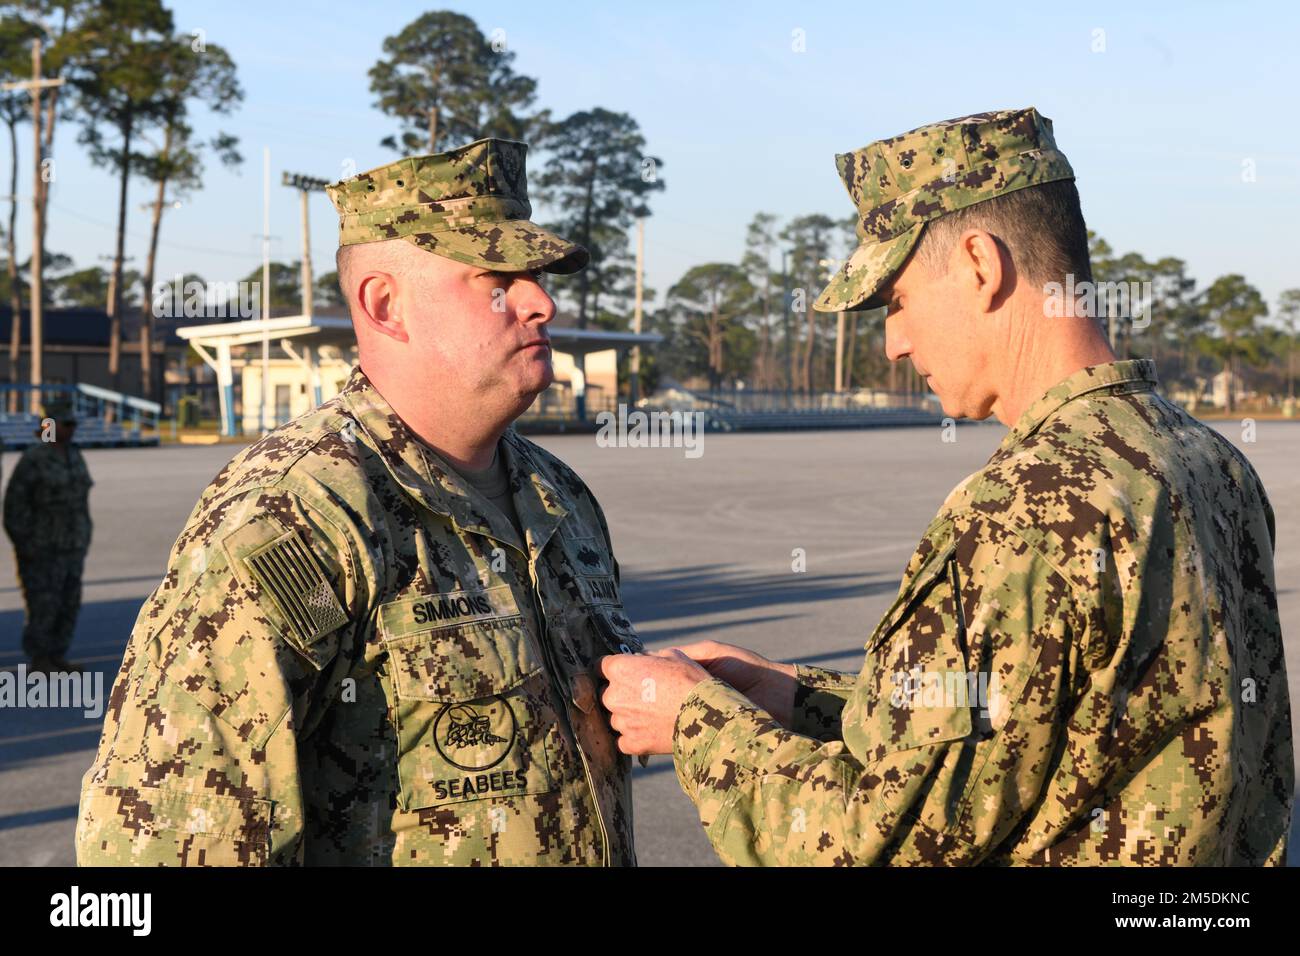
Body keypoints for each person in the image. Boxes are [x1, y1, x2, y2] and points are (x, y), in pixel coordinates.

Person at [601, 107, 1293, 866]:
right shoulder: (1208, 458)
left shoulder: (1024, 508)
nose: (894, 343)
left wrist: (697, 722)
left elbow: (875, 843)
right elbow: (1030, 720)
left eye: (897, 300)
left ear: (979, 266)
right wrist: (790, 697)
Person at [77, 138, 643, 866]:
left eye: (536, 274)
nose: (542, 301)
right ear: (386, 305)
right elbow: (162, 847)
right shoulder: (298, 516)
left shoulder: (558, 498)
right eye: (499, 277)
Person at [3, 397, 93, 673]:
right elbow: (14, 506)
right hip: (41, 547)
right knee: (44, 603)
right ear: (50, 425)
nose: (72, 429)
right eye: (66, 424)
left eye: (73, 423)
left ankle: (57, 656)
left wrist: (85, 534)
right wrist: (25, 544)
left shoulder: (74, 455)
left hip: (72, 545)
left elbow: (81, 499)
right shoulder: (34, 459)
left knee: (69, 603)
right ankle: (40, 659)